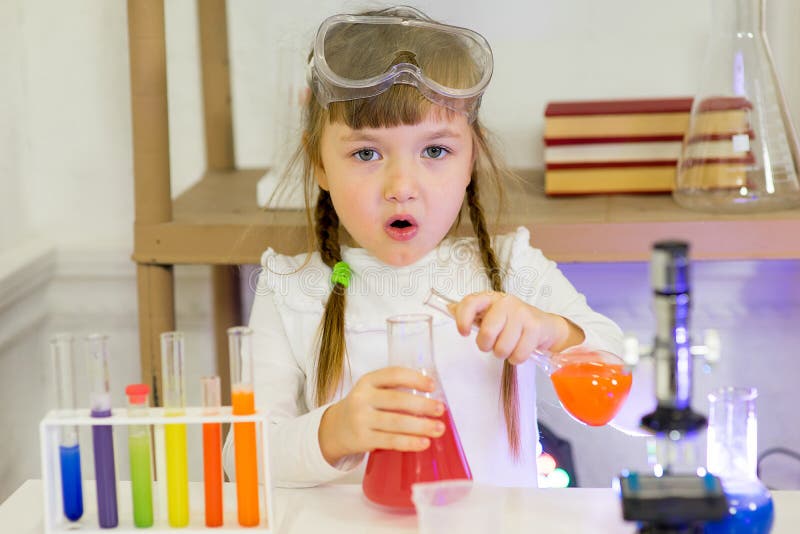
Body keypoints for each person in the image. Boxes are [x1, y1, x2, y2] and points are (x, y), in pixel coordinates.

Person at [223, 6, 623, 488]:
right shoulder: (292, 287)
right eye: (366, 153)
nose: (401, 186)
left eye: (435, 151)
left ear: (470, 155)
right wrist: (335, 430)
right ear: (320, 165)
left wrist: (552, 333)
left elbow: (631, 405)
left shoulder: (514, 268)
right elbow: (239, 461)